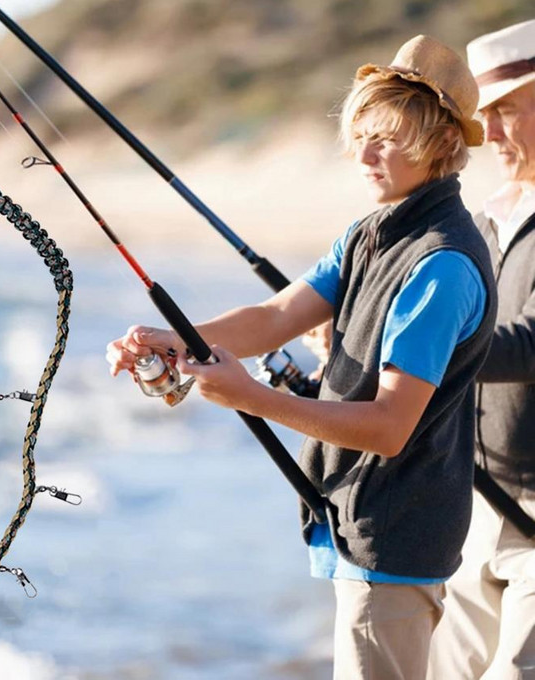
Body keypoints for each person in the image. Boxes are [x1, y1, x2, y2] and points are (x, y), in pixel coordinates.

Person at [107, 35, 497, 680]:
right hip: (362, 523)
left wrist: (252, 398)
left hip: (396, 533)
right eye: (363, 134)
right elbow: (276, 317)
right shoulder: (374, 230)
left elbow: (390, 427)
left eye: (390, 139)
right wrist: (170, 340)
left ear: (441, 143)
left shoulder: (442, 266)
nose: (365, 155)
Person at [427, 19, 535, 680]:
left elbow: (527, 344)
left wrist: (414, 348)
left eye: (506, 113)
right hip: (472, 504)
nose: (488, 135)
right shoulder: (485, 218)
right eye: (482, 117)